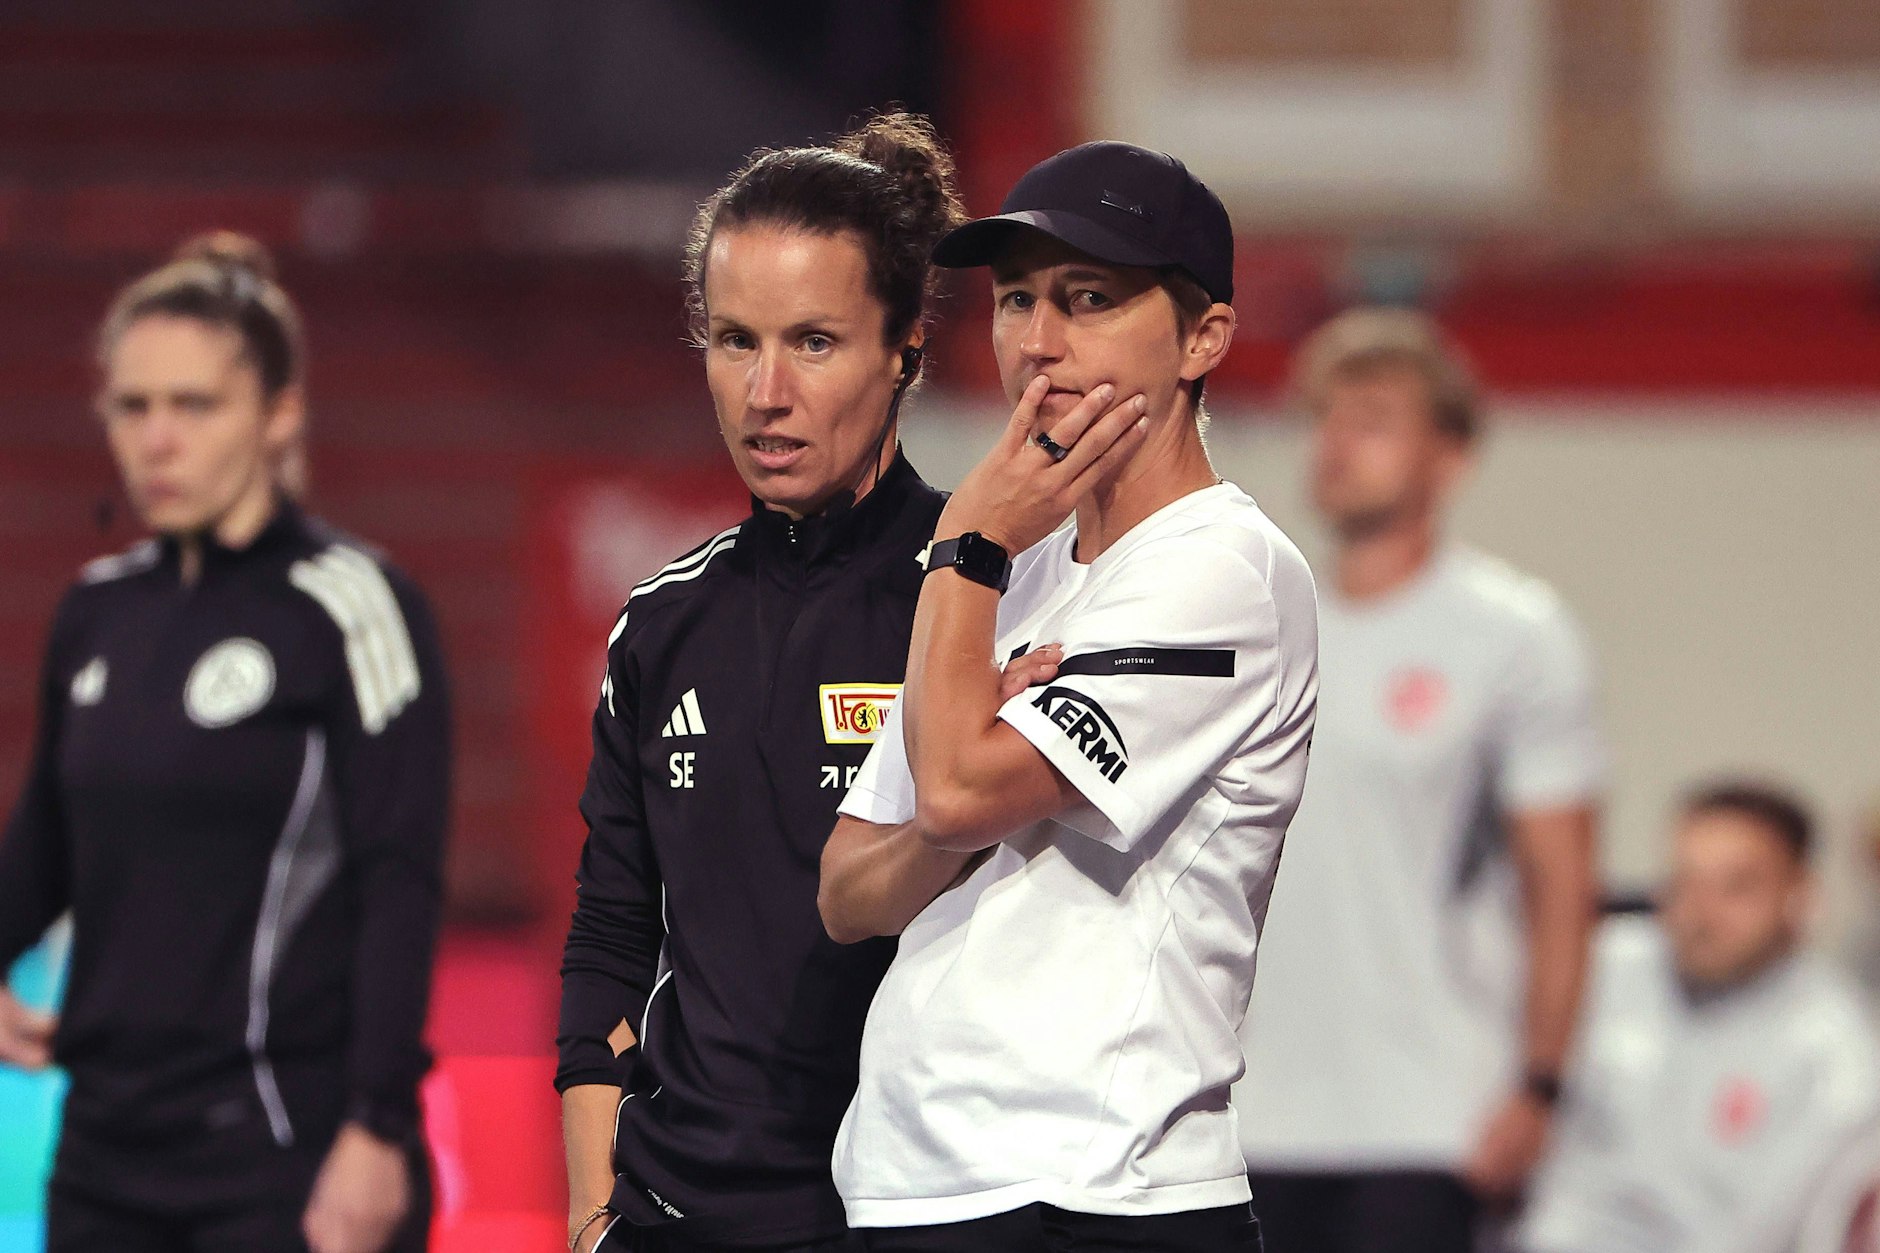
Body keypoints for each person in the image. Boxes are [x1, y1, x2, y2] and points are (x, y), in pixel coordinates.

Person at [819, 140, 1319, 1252]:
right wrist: (964, 760)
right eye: (1013, 302)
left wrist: (962, 548)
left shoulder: (1220, 569)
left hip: (1094, 1191)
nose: (1036, 343)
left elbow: (946, 794)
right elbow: (849, 889)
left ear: (1203, 337)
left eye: (1088, 299)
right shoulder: (1009, 568)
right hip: (912, 1177)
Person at [555, 114, 971, 1253]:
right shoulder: (660, 624)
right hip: (667, 1215)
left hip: (902, 1212)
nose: (765, 390)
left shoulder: (985, 599)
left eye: (814, 342)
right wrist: (594, 1218)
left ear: (905, 352)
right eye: (734, 340)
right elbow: (607, 935)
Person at [0, 232, 450, 1253]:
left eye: (194, 405)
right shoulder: (94, 612)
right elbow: (46, 846)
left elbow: (400, 877)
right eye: (134, 405)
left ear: (277, 412)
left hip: (283, 1148)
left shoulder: (352, 607)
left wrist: (377, 1124)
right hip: (102, 1154)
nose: (158, 438)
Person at [1234, 308, 1606, 1253]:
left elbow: (1559, 883)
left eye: (1375, 418)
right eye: (1327, 417)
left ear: (1451, 456)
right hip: (1244, 1111)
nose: (1339, 443)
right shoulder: (1259, 622)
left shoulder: (1513, 636)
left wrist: (1541, 1084)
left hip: (1426, 1113)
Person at [1518, 781, 1880, 1253]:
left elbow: (1775, 1233)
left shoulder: (1838, 1053)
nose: (1700, 913)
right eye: (1685, 882)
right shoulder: (1600, 969)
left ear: (1801, 896)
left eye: (1736, 888)